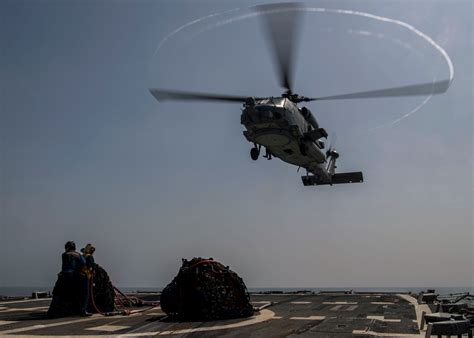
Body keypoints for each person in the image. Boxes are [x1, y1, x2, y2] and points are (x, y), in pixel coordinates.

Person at [61, 241, 91, 316]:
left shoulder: (64, 254)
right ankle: (83, 310)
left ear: (67, 247)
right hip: (75, 276)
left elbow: (64, 266)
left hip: (64, 276)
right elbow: (83, 263)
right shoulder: (78, 255)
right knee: (85, 291)